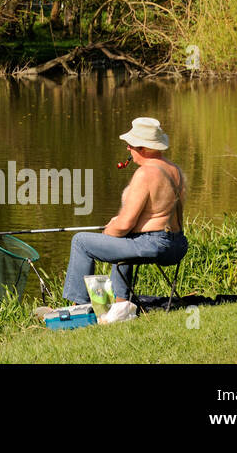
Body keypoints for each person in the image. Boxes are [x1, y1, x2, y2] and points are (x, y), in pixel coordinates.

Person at [61, 117, 187, 321]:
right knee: (124, 241)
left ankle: (79, 309)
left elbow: (124, 225)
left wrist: (109, 231)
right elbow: (158, 214)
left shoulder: (145, 173)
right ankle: (120, 304)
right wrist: (120, 231)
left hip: (154, 244)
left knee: (81, 241)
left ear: (143, 148)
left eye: (131, 145)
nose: (128, 148)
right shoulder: (174, 170)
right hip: (178, 245)